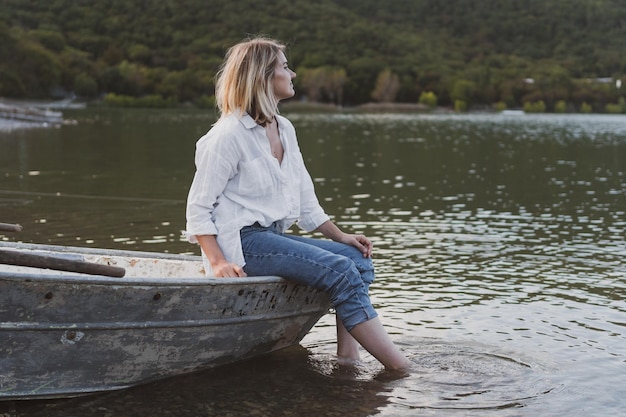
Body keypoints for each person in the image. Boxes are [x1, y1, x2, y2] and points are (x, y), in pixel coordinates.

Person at [185, 36, 411, 371]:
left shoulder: (284, 129)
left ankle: (347, 357)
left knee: (356, 259)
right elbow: (198, 208)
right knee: (342, 271)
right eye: (285, 68)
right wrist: (218, 262)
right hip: (242, 243)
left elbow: (304, 197)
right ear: (263, 77)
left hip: (271, 237)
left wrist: (341, 236)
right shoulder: (227, 135)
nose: (292, 75)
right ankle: (402, 369)